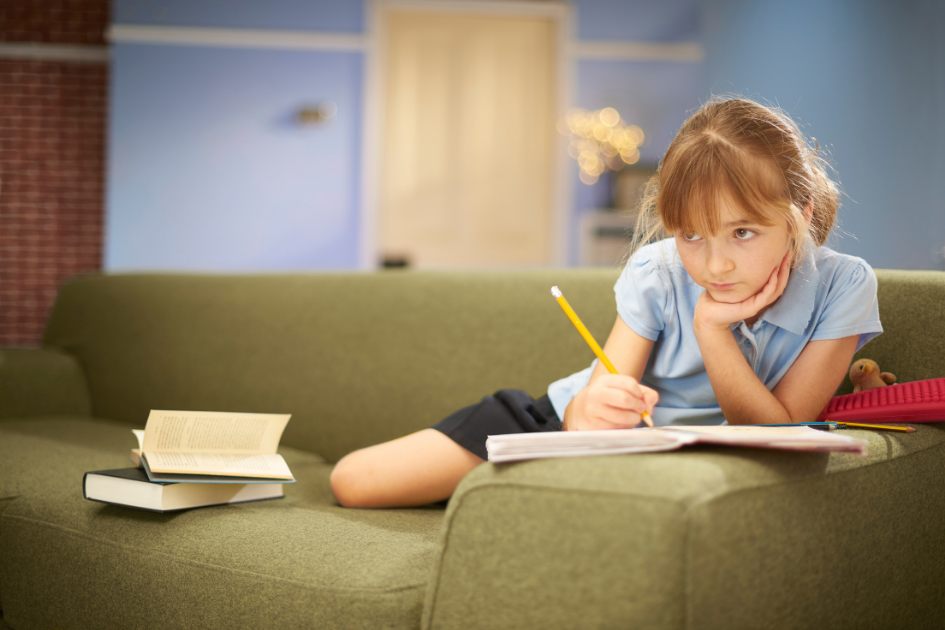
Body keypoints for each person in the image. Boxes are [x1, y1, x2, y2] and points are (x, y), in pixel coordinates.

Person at [330, 96, 882, 509]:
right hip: (573, 435)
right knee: (355, 482)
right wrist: (582, 414)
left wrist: (713, 330)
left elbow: (777, 434)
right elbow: (598, 401)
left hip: (658, 469)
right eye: (691, 235)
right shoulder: (659, 270)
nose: (715, 266)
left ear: (801, 214)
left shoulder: (842, 285)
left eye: (742, 233)